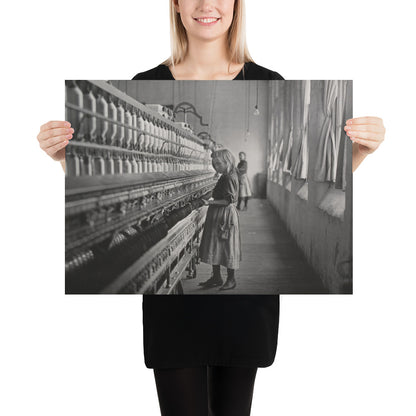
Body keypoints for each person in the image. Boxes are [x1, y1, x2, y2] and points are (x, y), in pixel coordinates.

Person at [36, 0, 385, 415]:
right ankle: (216, 276)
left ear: (237, 7)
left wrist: (359, 154)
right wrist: (66, 159)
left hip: (243, 314)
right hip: (174, 316)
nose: (207, 4)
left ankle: (220, 279)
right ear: (176, 6)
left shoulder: (268, 80)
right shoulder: (142, 81)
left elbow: (235, 194)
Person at [198, 149, 241, 290]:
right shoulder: (226, 175)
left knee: (227, 246)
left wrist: (208, 202)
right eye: (213, 164)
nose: (215, 167)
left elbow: (228, 201)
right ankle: (216, 277)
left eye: (218, 164)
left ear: (227, 162)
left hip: (224, 215)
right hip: (219, 214)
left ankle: (231, 279)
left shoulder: (228, 177)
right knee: (215, 245)